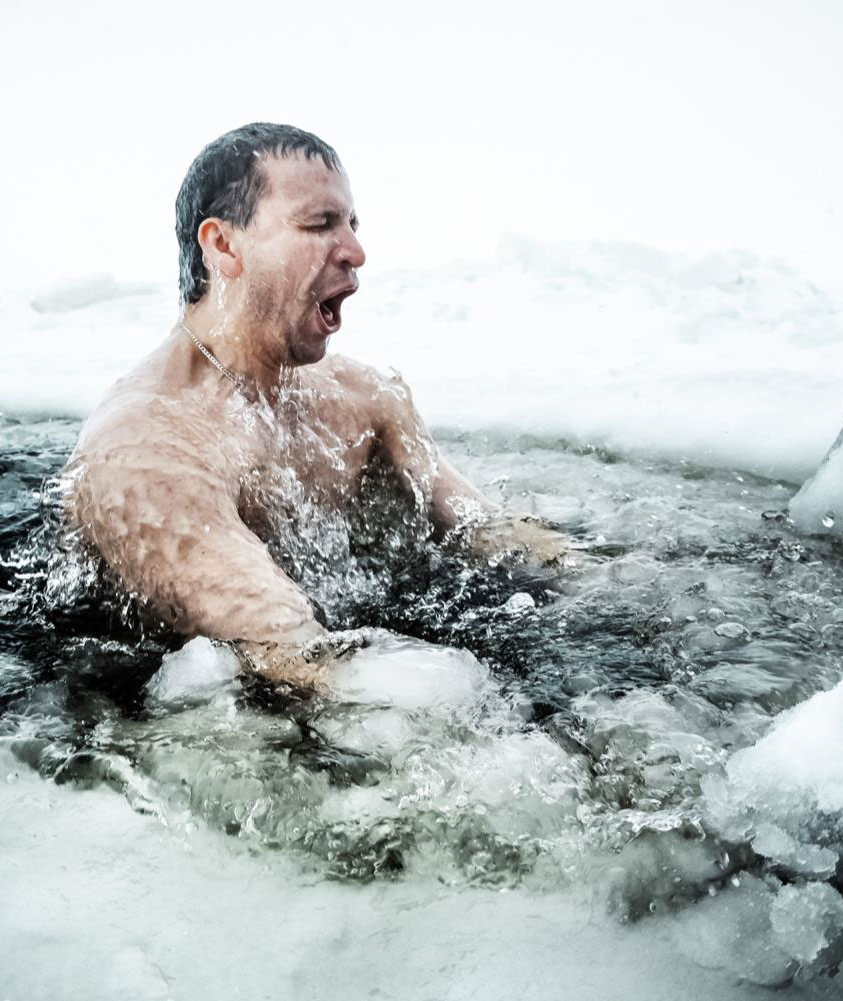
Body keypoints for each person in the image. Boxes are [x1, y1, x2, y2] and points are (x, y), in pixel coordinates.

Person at [64, 123, 566, 689]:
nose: (355, 251)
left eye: (352, 224)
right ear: (223, 245)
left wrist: (611, 581)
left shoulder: (361, 399)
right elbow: (290, 653)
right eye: (320, 224)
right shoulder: (147, 449)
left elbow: (488, 530)